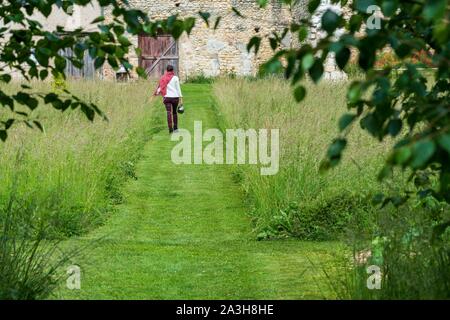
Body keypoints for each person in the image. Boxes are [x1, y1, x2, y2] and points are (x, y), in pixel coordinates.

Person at [154, 65, 183, 134]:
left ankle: (170, 129)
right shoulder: (175, 78)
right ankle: (175, 128)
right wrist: (181, 97)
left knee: (168, 113)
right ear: (173, 70)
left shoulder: (163, 78)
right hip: (175, 97)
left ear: (166, 70)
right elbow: (178, 88)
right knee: (174, 112)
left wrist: (156, 92)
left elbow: (161, 86)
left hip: (167, 97)